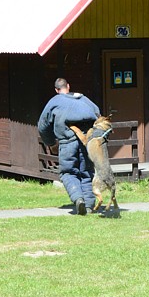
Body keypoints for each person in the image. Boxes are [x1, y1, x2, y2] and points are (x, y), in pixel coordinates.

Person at [38, 77, 101, 215]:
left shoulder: (55, 101)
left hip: (67, 143)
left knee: (68, 173)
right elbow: (98, 115)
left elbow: (42, 126)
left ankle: (79, 199)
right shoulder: (84, 99)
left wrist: (51, 143)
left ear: (56, 90)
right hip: (86, 142)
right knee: (87, 172)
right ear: (68, 86)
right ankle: (90, 206)